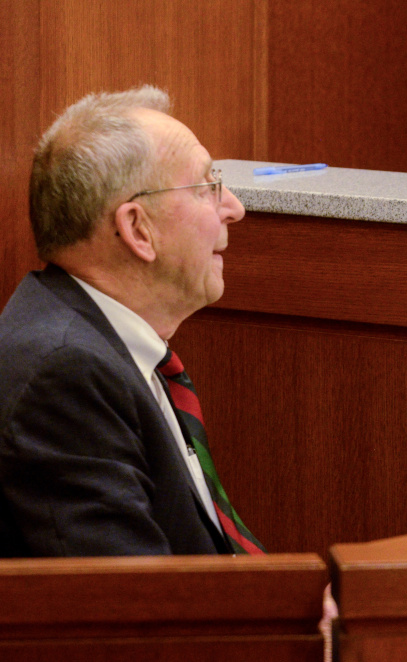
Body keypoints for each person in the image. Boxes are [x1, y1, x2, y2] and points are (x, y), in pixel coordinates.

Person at [0, 86, 255, 556]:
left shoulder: (101, 343)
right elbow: (133, 607)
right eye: (205, 187)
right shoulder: (64, 375)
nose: (234, 208)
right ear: (138, 229)